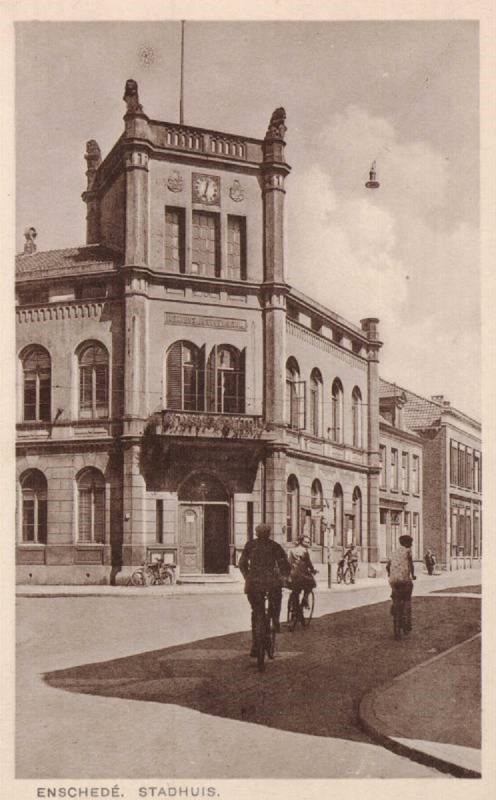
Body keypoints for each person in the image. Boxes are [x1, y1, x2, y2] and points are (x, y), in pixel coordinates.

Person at [238, 524, 291, 656]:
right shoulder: (274, 546)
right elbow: (284, 564)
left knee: (256, 611)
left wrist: (247, 576)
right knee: (275, 601)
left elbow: (242, 563)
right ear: (269, 533)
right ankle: (275, 620)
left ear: (256, 533)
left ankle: (256, 644)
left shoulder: (250, 545)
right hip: (271, 582)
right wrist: (284, 576)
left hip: (254, 583)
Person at [386, 534, 416, 632]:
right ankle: (407, 622)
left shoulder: (394, 552)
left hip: (393, 580)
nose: (411, 545)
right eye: (410, 543)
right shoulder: (408, 551)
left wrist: (390, 574)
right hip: (404, 580)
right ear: (406, 543)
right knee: (407, 598)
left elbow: (387, 566)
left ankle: (394, 606)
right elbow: (411, 565)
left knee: (395, 594)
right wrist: (413, 575)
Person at [288, 534, 317, 609]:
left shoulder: (291, 550)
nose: (308, 544)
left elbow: (288, 562)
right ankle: (305, 599)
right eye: (306, 542)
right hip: (302, 574)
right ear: (301, 542)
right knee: (311, 584)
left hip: (293, 574)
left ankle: (294, 608)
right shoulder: (304, 551)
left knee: (296, 590)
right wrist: (313, 570)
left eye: (308, 542)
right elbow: (308, 563)